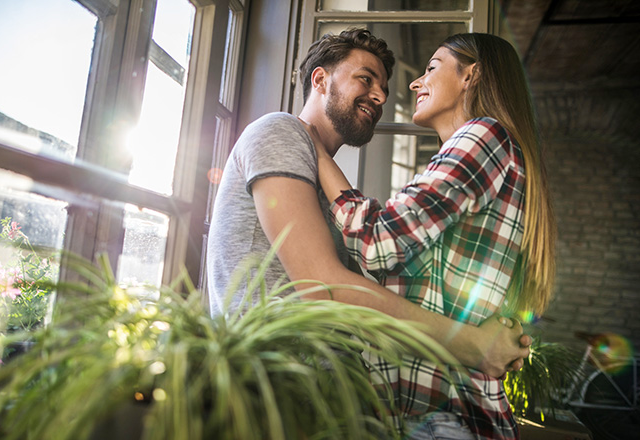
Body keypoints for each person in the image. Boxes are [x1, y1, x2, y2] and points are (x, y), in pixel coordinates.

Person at [206, 27, 529, 405]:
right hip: (278, 387)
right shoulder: (281, 131)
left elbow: (377, 272)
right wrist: (470, 342)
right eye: (366, 78)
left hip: (325, 388)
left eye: (383, 88)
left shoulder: (325, 177)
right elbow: (322, 285)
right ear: (321, 80)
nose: (380, 95)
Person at [313, 33, 556, 439]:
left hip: (440, 420)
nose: (413, 83)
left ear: (470, 75)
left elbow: (377, 240)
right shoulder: (481, 150)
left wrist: (316, 150)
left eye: (431, 67)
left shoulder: (483, 137)